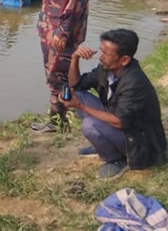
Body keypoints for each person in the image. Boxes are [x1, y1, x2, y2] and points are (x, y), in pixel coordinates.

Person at [60, 29, 166, 179]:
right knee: (78, 95)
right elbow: (76, 85)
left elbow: (120, 122)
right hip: (121, 124)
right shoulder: (106, 68)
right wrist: (74, 58)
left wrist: (80, 106)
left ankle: (116, 159)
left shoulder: (134, 82)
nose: (100, 57)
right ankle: (104, 143)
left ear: (124, 60)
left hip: (139, 142)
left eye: (105, 53)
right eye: (101, 51)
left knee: (90, 125)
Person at [31, 0, 98, 133]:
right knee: (52, 74)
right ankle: (57, 117)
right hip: (50, 26)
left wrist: (63, 31)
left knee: (59, 75)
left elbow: (77, 1)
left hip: (62, 31)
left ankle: (58, 121)